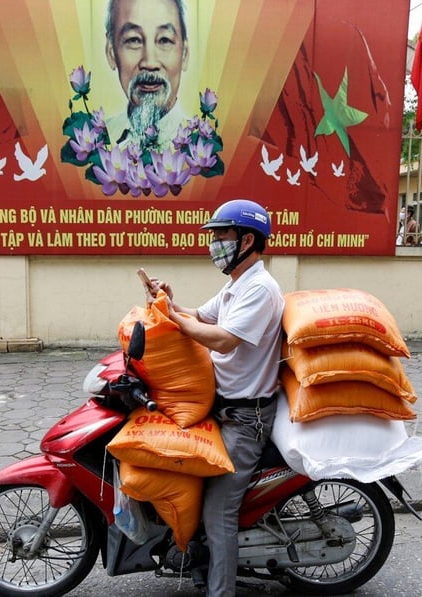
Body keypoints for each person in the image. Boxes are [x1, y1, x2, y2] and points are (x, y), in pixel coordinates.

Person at [141, 199, 284, 597]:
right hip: (223, 409)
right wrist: (169, 302)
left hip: (246, 420)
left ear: (247, 239)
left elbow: (223, 338)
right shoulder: (237, 283)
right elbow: (201, 317)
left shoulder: (260, 289)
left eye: (221, 235)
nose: (214, 243)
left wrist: (177, 323)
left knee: (219, 512)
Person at [105, 0, 190, 151]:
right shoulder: (97, 141)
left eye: (164, 40)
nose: (150, 63)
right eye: (134, 40)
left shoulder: (205, 146)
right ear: (111, 52)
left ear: (184, 54)